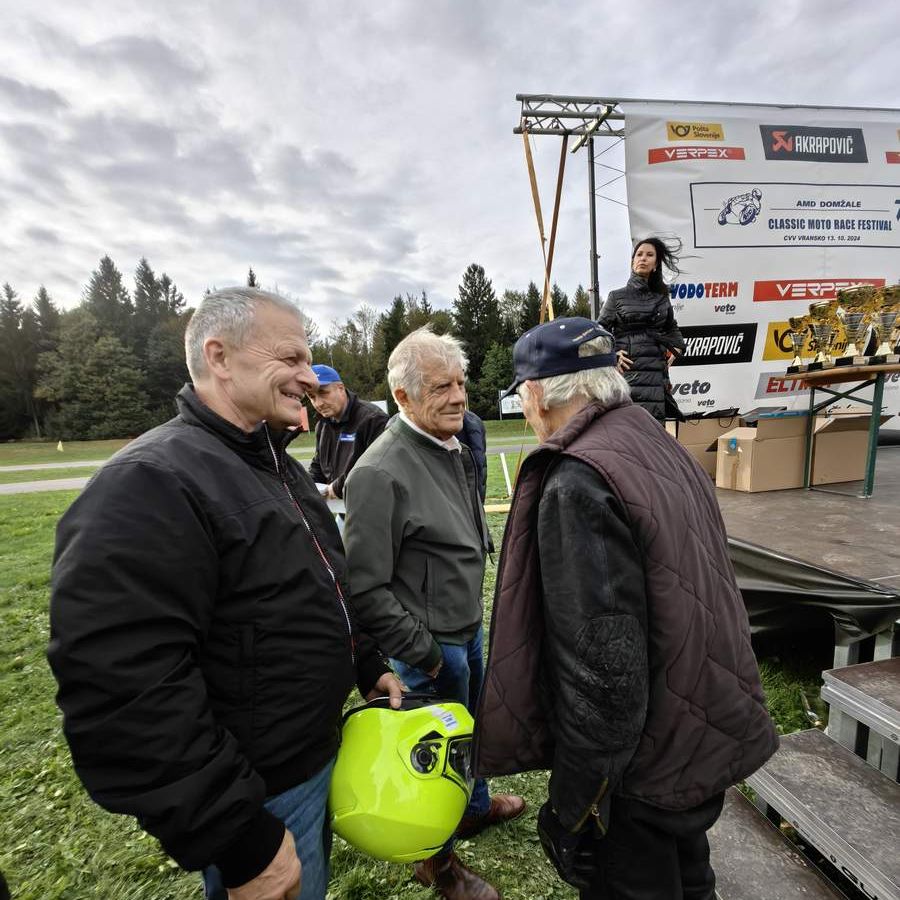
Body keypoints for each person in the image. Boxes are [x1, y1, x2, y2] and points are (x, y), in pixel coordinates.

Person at [47, 287, 402, 900]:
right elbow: (125, 687)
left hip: (311, 757)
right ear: (218, 355)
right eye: (290, 358)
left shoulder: (279, 468)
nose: (308, 376)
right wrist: (235, 835)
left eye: (309, 360)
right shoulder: (151, 482)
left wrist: (364, 662)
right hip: (255, 794)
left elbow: (317, 584)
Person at [473, 318, 778, 899]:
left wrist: (572, 806)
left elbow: (603, 672)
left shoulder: (579, 478)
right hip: (692, 734)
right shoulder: (651, 441)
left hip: (641, 775)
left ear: (535, 393)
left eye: (521, 394)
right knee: (691, 881)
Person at [343, 326, 524, 900]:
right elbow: (365, 587)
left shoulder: (450, 444)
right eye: (440, 386)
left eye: (461, 382)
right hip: (428, 641)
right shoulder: (378, 471)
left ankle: (472, 806)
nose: (459, 396)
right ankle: (439, 866)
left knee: (469, 725)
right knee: (431, 757)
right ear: (402, 397)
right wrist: (421, 649)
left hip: (463, 624)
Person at [598, 236, 686, 421]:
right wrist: (612, 355)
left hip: (656, 379)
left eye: (649, 255)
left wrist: (678, 347)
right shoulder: (616, 297)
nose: (643, 258)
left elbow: (671, 327)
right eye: (639, 254)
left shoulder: (661, 298)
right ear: (632, 262)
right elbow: (598, 333)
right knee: (626, 437)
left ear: (656, 264)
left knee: (652, 438)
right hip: (626, 378)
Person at [307, 364, 388, 500]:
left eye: (323, 392)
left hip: (373, 510)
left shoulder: (373, 419)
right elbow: (318, 465)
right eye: (311, 397)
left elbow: (373, 469)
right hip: (342, 510)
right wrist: (308, 486)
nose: (318, 403)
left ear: (341, 388)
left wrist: (337, 487)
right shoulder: (322, 425)